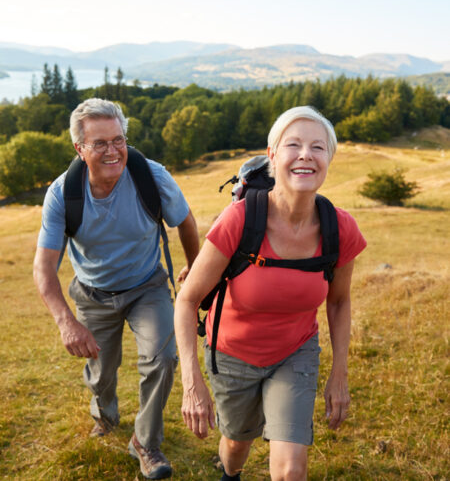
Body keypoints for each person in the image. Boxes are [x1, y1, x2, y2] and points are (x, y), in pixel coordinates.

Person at [174, 106, 366, 480]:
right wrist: (191, 382)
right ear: (273, 156)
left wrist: (339, 373)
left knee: (292, 468)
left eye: (318, 147)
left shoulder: (339, 228)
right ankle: (231, 473)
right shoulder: (240, 219)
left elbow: (339, 301)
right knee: (235, 447)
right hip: (231, 354)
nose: (306, 154)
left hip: (295, 352)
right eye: (293, 145)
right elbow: (187, 299)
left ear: (329, 159)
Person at [33, 98, 199, 480]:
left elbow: (186, 222)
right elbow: (43, 268)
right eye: (100, 143)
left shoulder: (151, 176)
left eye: (118, 140)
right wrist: (66, 322)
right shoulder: (63, 193)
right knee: (101, 373)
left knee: (162, 358)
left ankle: (146, 443)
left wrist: (194, 269)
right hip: (93, 293)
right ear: (80, 148)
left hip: (147, 286)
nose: (113, 151)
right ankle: (105, 413)